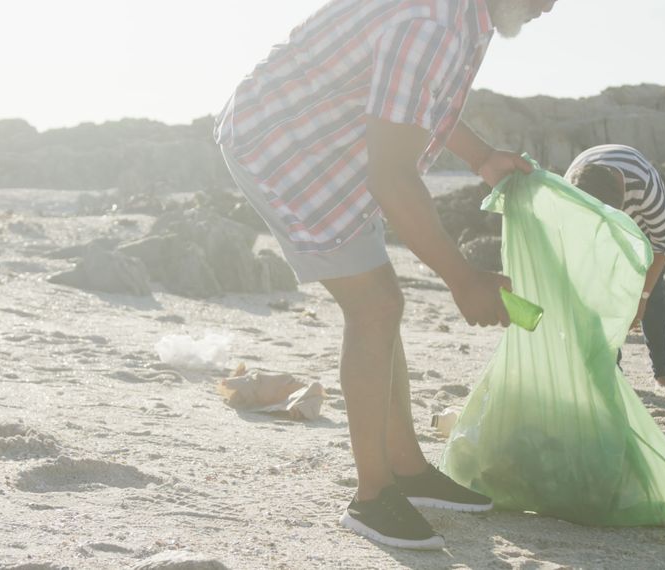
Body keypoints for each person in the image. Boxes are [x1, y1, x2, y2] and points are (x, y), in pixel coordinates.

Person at [215, 0, 558, 550]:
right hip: (282, 142)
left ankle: (407, 468)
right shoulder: (433, 26)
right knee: (374, 305)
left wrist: (480, 157)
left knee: (382, 302)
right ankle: (373, 495)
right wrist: (463, 279)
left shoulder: (475, 16)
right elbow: (392, 175)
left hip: (337, 136)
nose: (550, 5)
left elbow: (423, 101)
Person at [564, 144, 665, 392]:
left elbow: (663, 245)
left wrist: (642, 296)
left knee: (653, 294)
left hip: (646, 234)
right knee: (598, 294)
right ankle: (611, 370)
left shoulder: (645, 186)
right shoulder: (572, 191)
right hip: (592, 232)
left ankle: (663, 375)